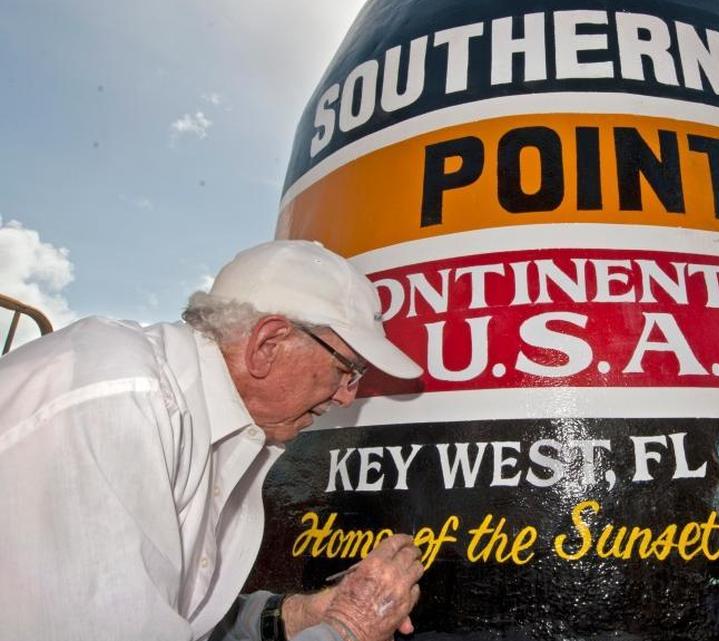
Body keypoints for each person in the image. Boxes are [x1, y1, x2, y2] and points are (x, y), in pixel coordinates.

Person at [0, 240, 425, 641]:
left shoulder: (201, 420)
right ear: (268, 344)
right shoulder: (116, 401)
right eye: (346, 369)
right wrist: (347, 629)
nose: (347, 395)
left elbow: (176, 611)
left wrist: (296, 618)